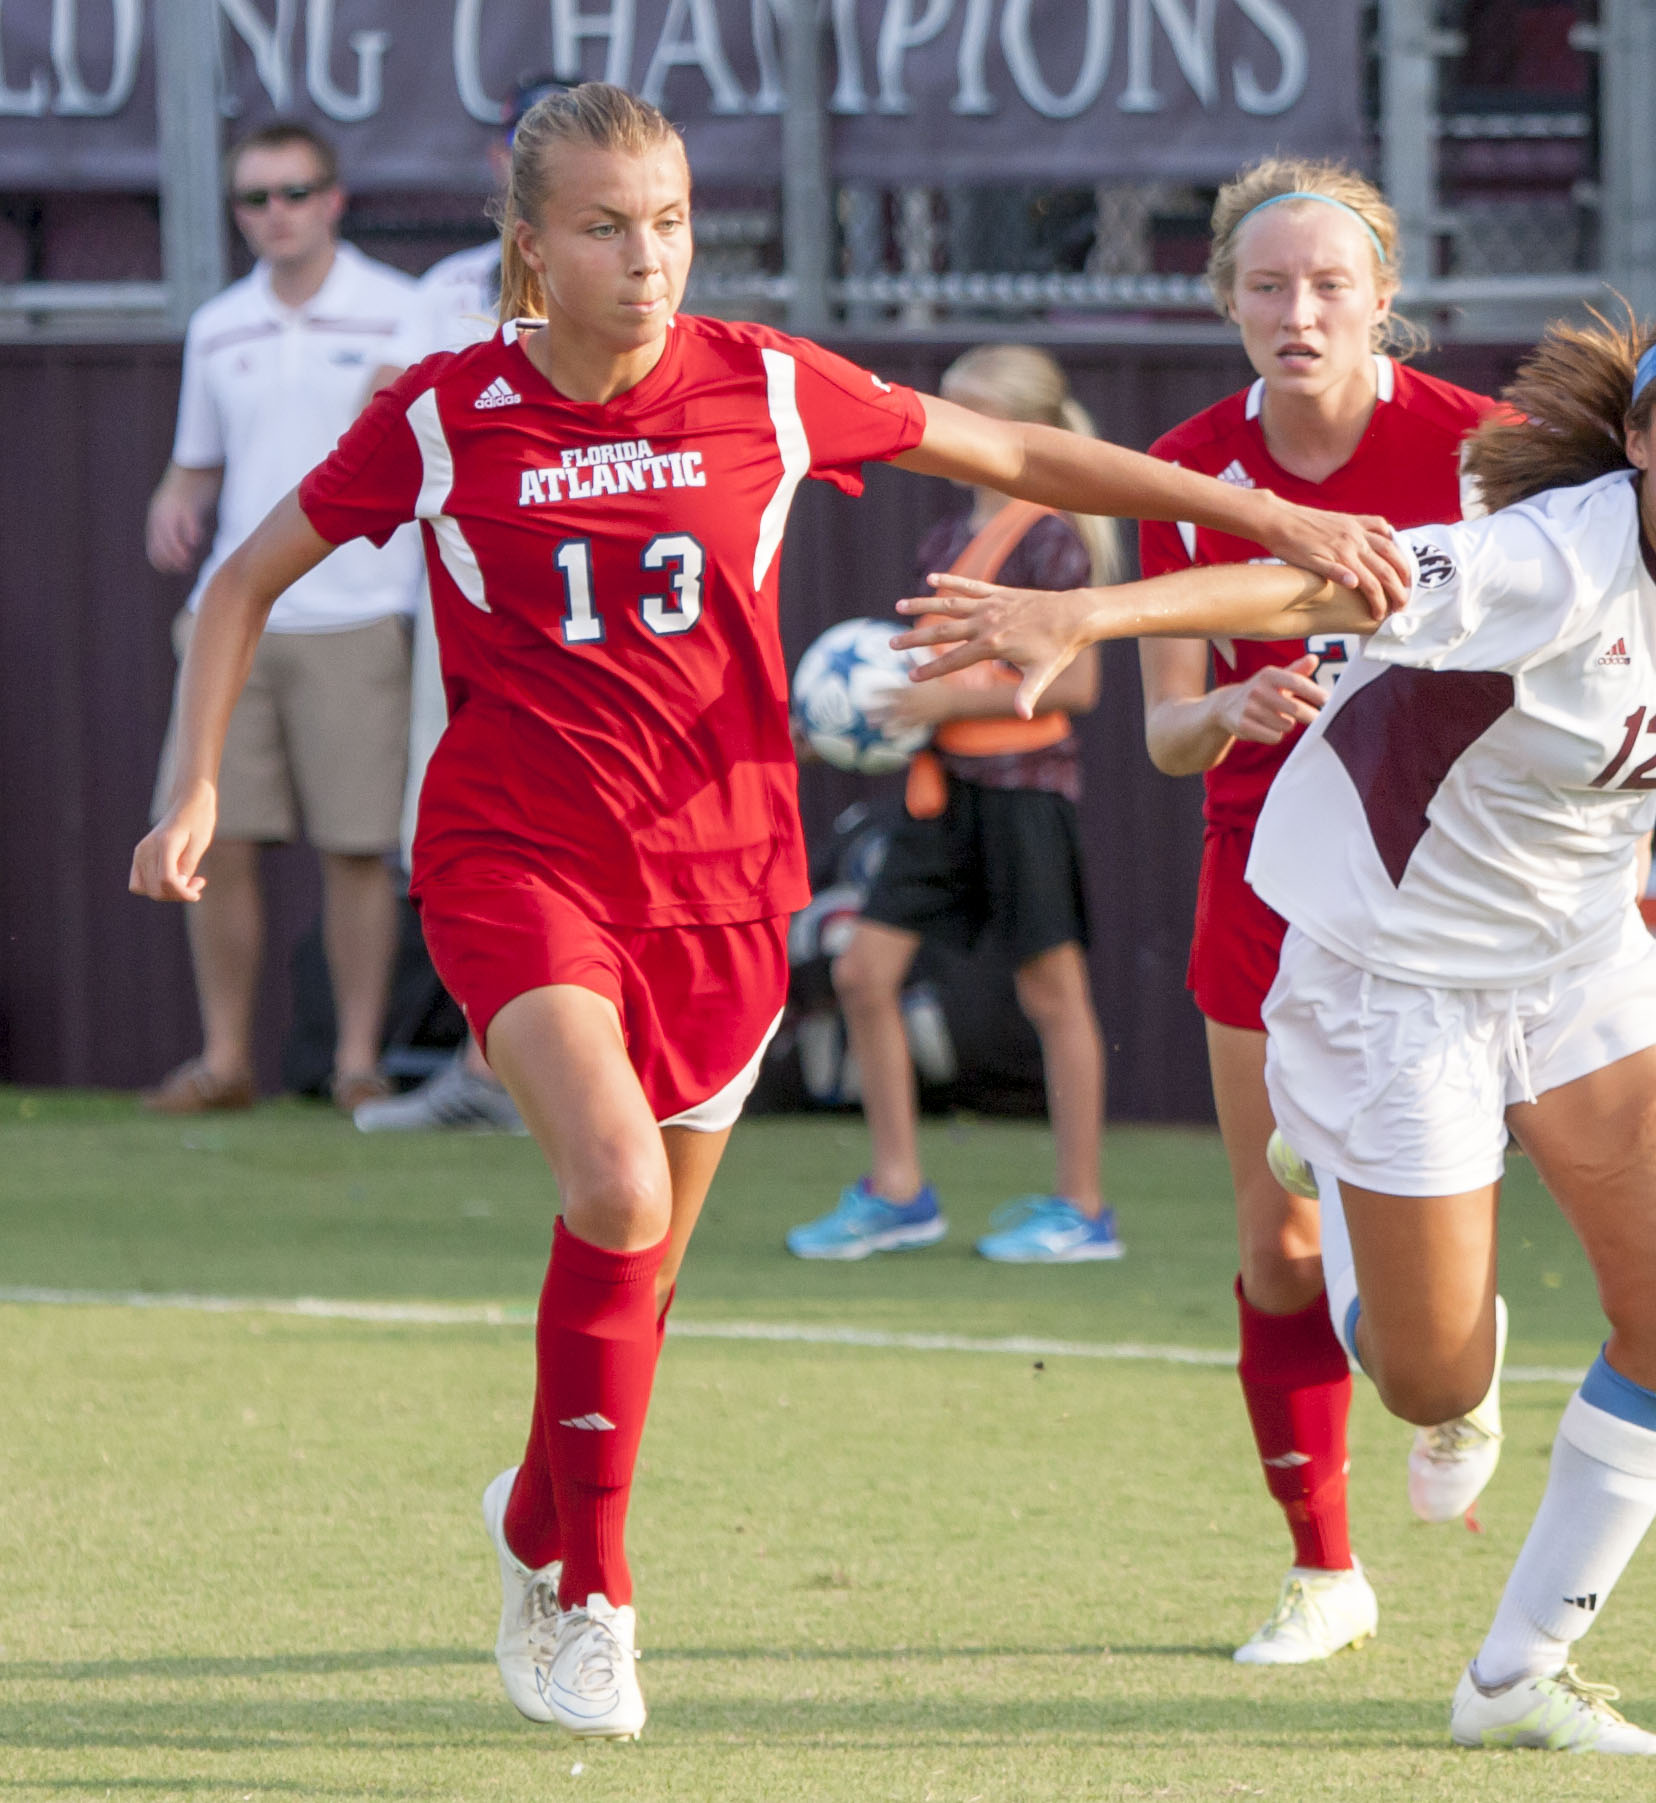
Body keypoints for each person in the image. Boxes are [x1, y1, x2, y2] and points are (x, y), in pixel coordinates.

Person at [130, 82, 1405, 1743]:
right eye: (602, 225)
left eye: (666, 219)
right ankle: (589, 1591)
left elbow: (1015, 447)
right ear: (529, 247)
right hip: (518, 861)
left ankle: (538, 1509)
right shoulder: (445, 414)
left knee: (638, 1272)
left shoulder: (762, 382)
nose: (646, 255)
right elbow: (240, 580)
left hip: (724, 879)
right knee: (605, 1186)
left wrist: (1272, 512)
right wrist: (196, 782)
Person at [899, 297, 1656, 1755]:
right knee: (1430, 1380)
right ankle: (1359, 1222)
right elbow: (1310, 593)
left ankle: (1518, 1670)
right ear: (1636, 445)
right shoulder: (1545, 557)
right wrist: (1084, 611)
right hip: (1392, 970)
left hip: (1579, 958)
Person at [1131, 159, 1501, 1665]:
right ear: (1224, 299)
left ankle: (1460, 1372)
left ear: (1383, 299)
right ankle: (1322, 1567)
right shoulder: (1185, 471)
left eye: (1329, 284)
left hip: (1452, 881)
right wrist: (1234, 706)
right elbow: (1161, 734)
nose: (1298, 312)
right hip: (1263, 873)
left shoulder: (1485, 454)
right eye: (1268, 285)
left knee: (1434, 1241)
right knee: (1278, 1240)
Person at [785, 343, 1124, 1264]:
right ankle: (898, 1189)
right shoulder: (943, 536)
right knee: (861, 972)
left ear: (1031, 431)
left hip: (1023, 793)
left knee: (1053, 994)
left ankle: (1082, 1206)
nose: (952, 431)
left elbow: (1080, 682)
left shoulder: (1054, 533)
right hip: (939, 793)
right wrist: (859, 715)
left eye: (975, 415)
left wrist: (943, 702)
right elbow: (915, 666)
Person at [143, 119, 422, 1115]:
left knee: (357, 846)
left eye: (295, 193)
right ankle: (225, 1060)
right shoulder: (217, 324)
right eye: (255, 199)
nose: (276, 215)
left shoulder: (401, 312)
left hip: (359, 610)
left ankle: (355, 1062)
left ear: (334, 199)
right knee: (209, 838)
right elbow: (198, 463)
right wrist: (172, 498)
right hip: (235, 617)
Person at [355, 76, 578, 1137]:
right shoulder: (446, 289)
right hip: (467, 612)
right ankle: (495, 1069)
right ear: (503, 168)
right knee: (464, 835)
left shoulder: (639, 295)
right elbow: (387, 427)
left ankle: (551, 1078)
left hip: (598, 620)